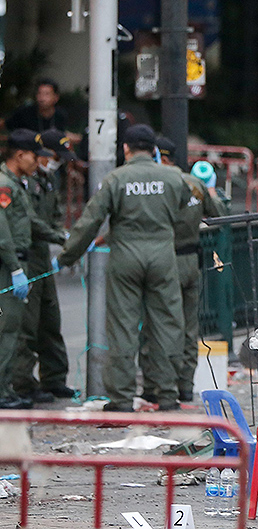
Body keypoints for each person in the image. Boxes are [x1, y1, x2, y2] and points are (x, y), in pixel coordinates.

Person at [57, 124, 191, 412]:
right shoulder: (174, 177)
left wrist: (68, 256)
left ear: (126, 149)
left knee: (123, 329)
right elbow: (182, 207)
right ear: (155, 150)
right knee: (167, 326)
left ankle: (121, 399)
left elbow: (90, 220)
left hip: (125, 257)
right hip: (163, 257)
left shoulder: (116, 179)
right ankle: (167, 396)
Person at [140, 136, 226, 404]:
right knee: (189, 327)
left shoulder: (158, 185)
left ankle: (155, 386)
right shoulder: (195, 185)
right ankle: (185, 385)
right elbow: (220, 215)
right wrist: (210, 190)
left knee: (158, 325)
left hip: (165, 261)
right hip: (192, 261)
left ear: (158, 157)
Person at [12, 130, 76, 401]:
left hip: (42, 256)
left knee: (50, 319)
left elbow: (55, 214)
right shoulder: (22, 183)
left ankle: (54, 378)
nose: (56, 163)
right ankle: (24, 383)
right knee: (27, 324)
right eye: (53, 158)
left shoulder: (49, 180)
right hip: (28, 254)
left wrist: (62, 235)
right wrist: (63, 237)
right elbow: (29, 221)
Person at [0, 131, 57, 408]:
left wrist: (63, 238)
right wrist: (14, 268)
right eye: (34, 156)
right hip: (8, 263)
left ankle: (6, 388)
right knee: (8, 329)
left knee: (12, 328)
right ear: (20, 155)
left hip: (18, 261)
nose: (38, 162)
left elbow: (32, 223)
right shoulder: (4, 186)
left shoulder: (17, 184)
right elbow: (1, 234)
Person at [7, 79, 75, 140]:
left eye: (47, 94)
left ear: (56, 98)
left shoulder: (60, 115)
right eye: (39, 93)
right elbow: (6, 125)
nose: (42, 98)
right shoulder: (24, 112)